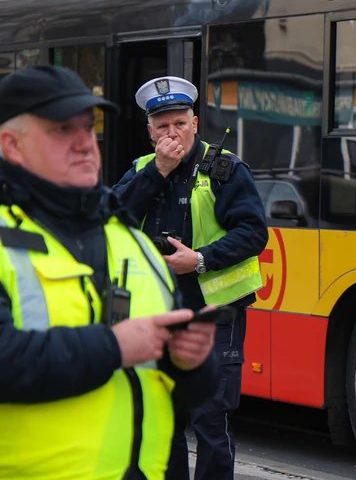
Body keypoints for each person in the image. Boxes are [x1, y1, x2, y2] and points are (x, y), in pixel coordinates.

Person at [0, 65, 218, 480]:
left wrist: (189, 363)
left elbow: (188, 395)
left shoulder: (131, 240)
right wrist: (113, 347)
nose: (86, 143)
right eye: (62, 130)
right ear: (12, 145)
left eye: (89, 127)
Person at [113, 76, 268, 480]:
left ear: (195, 124)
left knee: (210, 418)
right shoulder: (142, 170)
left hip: (214, 313)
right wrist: (158, 172)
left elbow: (253, 232)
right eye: (162, 126)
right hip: (156, 313)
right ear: (150, 132)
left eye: (180, 124)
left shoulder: (225, 169)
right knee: (164, 418)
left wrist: (199, 259)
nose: (172, 134)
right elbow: (110, 223)